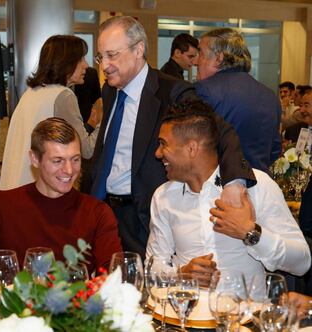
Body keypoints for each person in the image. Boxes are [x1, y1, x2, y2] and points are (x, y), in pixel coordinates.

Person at [90, 16, 256, 260]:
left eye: (112, 55)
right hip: (104, 212)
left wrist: (234, 182)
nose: (104, 65)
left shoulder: (172, 91)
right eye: (100, 56)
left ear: (138, 50)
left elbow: (221, 130)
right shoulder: (110, 90)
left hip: (143, 217)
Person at [146, 99, 311, 287]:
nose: (158, 153)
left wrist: (250, 233)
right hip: (187, 313)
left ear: (191, 148)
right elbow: (152, 268)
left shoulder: (255, 186)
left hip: (247, 313)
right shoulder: (164, 197)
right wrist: (180, 274)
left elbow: (302, 263)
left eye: (163, 144)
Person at [0, 117, 122, 274]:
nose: (69, 170)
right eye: (57, 161)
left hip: (75, 299)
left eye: (75, 159)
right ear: (34, 159)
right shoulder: (0, 206)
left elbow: (113, 278)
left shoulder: (97, 213)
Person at [0, 35, 100, 190]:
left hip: (16, 185)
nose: (86, 65)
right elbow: (86, 149)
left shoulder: (32, 92)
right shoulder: (63, 96)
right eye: (81, 59)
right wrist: (105, 122)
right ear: (66, 62)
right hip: (40, 194)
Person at [193, 28, 281, 173]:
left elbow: (192, 146)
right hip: (259, 186)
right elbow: (275, 149)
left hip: (219, 186)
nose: (196, 61)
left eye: (201, 53)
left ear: (219, 58)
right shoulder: (270, 96)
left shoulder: (204, 90)